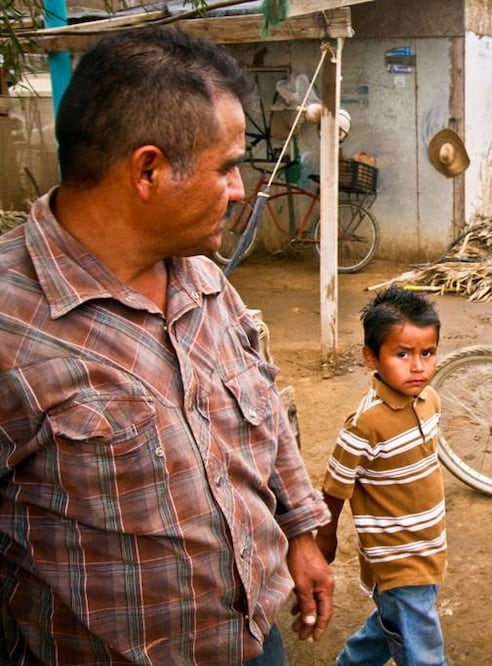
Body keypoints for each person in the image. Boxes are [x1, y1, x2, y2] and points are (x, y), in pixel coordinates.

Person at [0, 27, 333, 663]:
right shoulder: (12, 328)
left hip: (255, 640)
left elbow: (263, 410)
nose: (240, 190)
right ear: (148, 169)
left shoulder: (203, 278)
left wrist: (300, 535)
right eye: (228, 167)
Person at [315, 286, 447, 666]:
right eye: (402, 354)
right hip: (395, 557)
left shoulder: (430, 400)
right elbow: (334, 485)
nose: (418, 366)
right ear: (371, 357)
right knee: (422, 651)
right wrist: (325, 535)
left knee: (393, 625)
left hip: (429, 545)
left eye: (427, 353)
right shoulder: (366, 424)